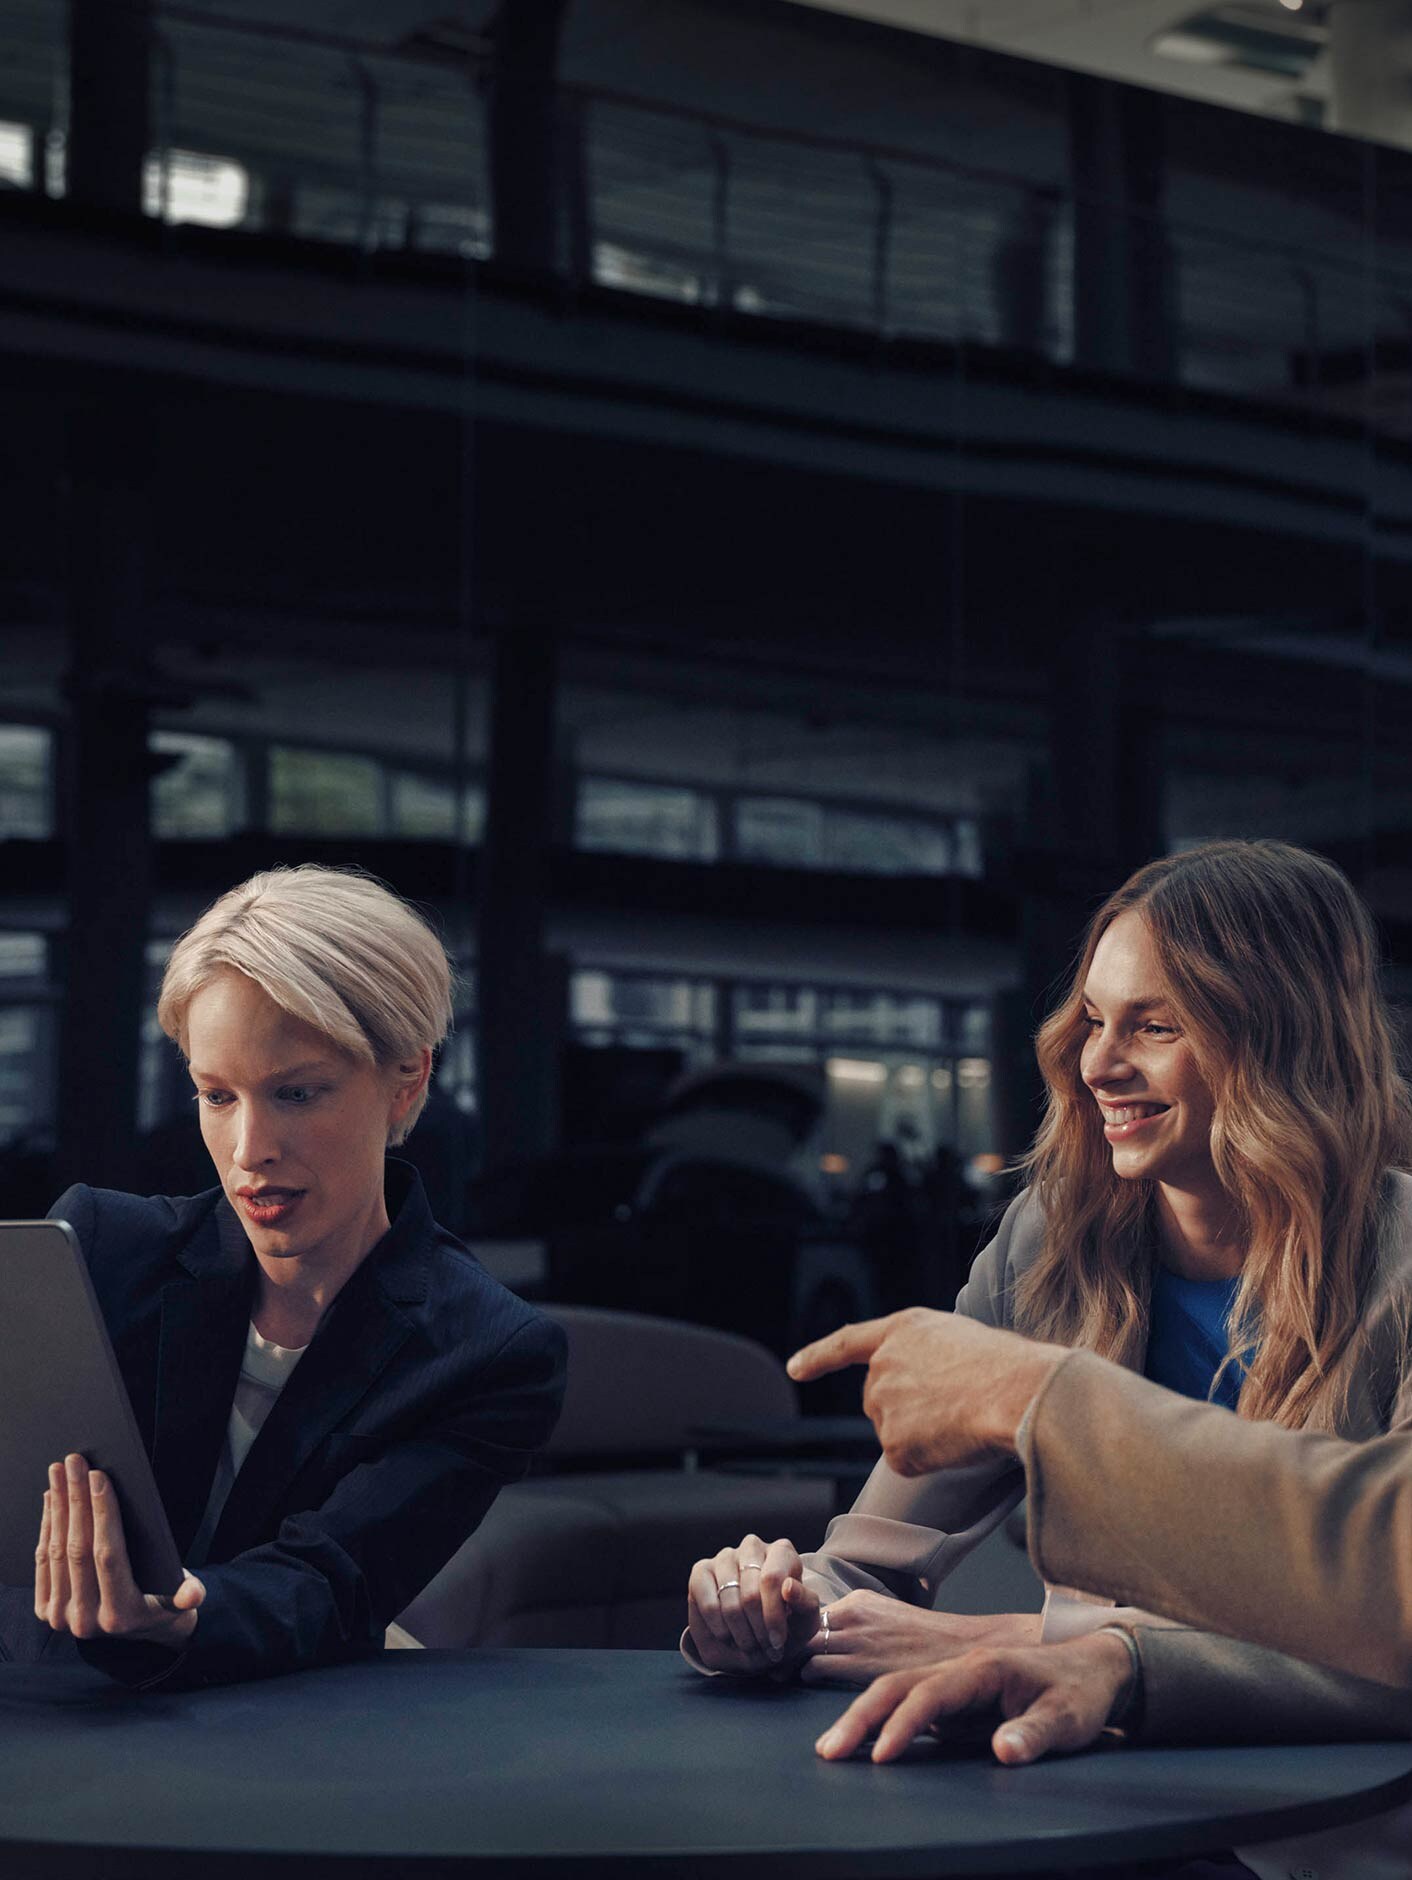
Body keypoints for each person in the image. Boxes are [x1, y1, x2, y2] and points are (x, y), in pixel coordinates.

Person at [686, 844, 1412, 1787]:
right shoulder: (1052, 1244)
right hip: (1095, 1789)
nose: (1099, 1064)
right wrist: (768, 1608)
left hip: (1337, 1827)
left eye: (1154, 1028)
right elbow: (866, 1570)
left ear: (1280, 1040)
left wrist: (1048, 1638)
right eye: (1094, 1021)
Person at [3, 865, 566, 1690]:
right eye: (216, 1096)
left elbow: (330, 1582)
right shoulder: (93, 1250)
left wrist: (185, 1614)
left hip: (278, 1728)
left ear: (406, 1076)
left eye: (296, 1093)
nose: (249, 1149)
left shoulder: (487, 1352)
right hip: (41, 1704)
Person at [783, 1307, 1412, 1760]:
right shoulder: (1053, 1230)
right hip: (1091, 1792)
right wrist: (777, 1597)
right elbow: (852, 1575)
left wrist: (1062, 1640)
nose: (1090, 1111)